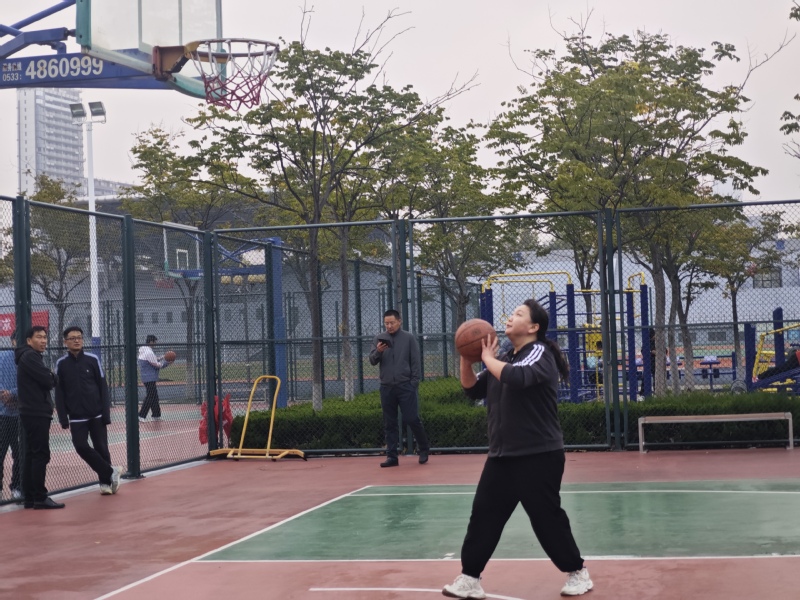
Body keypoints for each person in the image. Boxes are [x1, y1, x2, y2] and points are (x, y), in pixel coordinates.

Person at [443, 299, 592, 599]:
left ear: (534, 327)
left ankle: (577, 571)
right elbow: (472, 389)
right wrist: (466, 358)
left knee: (546, 518)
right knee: (484, 515)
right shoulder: (505, 358)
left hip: (538, 454)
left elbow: (517, 377)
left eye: (518, 314)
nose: (510, 318)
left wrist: (487, 358)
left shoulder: (539, 353)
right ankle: (470, 577)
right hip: (503, 455)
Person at [55, 327, 122, 495]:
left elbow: (102, 387)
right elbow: (59, 392)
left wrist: (106, 414)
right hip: (76, 417)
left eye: (79, 337)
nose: (76, 340)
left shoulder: (93, 360)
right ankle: (111, 471)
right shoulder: (61, 364)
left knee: (101, 448)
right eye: (72, 338)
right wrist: (63, 417)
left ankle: (105, 483)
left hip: (97, 414)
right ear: (65, 342)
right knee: (80, 446)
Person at [368, 309, 430, 468]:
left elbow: (415, 361)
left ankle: (423, 449)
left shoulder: (408, 338)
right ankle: (392, 456)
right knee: (389, 423)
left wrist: (413, 383)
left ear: (399, 321)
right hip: (386, 387)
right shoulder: (379, 339)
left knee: (411, 418)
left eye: (392, 323)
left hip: (405, 386)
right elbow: (372, 361)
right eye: (386, 323)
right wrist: (378, 351)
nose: (389, 326)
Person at [15, 325, 63, 509]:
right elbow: (49, 381)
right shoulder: (30, 357)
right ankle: (40, 497)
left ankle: (30, 497)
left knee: (32, 453)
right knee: (40, 454)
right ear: (29, 341)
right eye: (39, 337)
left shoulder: (31, 357)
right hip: (36, 412)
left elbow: (49, 378)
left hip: (33, 411)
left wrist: (50, 376)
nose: (43, 341)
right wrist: (51, 376)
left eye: (45, 337)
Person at [0, 331, 22, 501]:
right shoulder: (2, 357)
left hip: (21, 415)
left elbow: (31, 384)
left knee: (20, 454)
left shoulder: (30, 359)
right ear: (12, 340)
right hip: (2, 414)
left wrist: (13, 394)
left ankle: (17, 487)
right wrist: (4, 395)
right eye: (17, 339)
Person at [137, 334, 172, 422]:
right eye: (155, 342)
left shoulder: (145, 350)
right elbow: (157, 365)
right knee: (150, 397)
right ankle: (141, 415)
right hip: (149, 378)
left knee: (154, 397)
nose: (155, 343)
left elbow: (154, 359)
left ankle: (156, 415)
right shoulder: (148, 352)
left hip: (148, 377)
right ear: (151, 342)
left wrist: (163, 357)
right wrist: (167, 362)